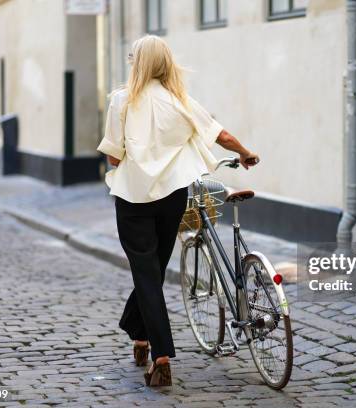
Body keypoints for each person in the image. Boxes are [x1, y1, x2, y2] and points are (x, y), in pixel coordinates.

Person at [96, 35, 259, 387]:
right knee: (151, 271)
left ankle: (162, 356)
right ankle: (139, 336)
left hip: (133, 199)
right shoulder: (180, 100)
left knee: (145, 272)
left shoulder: (121, 101)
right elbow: (223, 135)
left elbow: (113, 156)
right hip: (172, 198)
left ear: (137, 62)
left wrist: (136, 152)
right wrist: (246, 153)